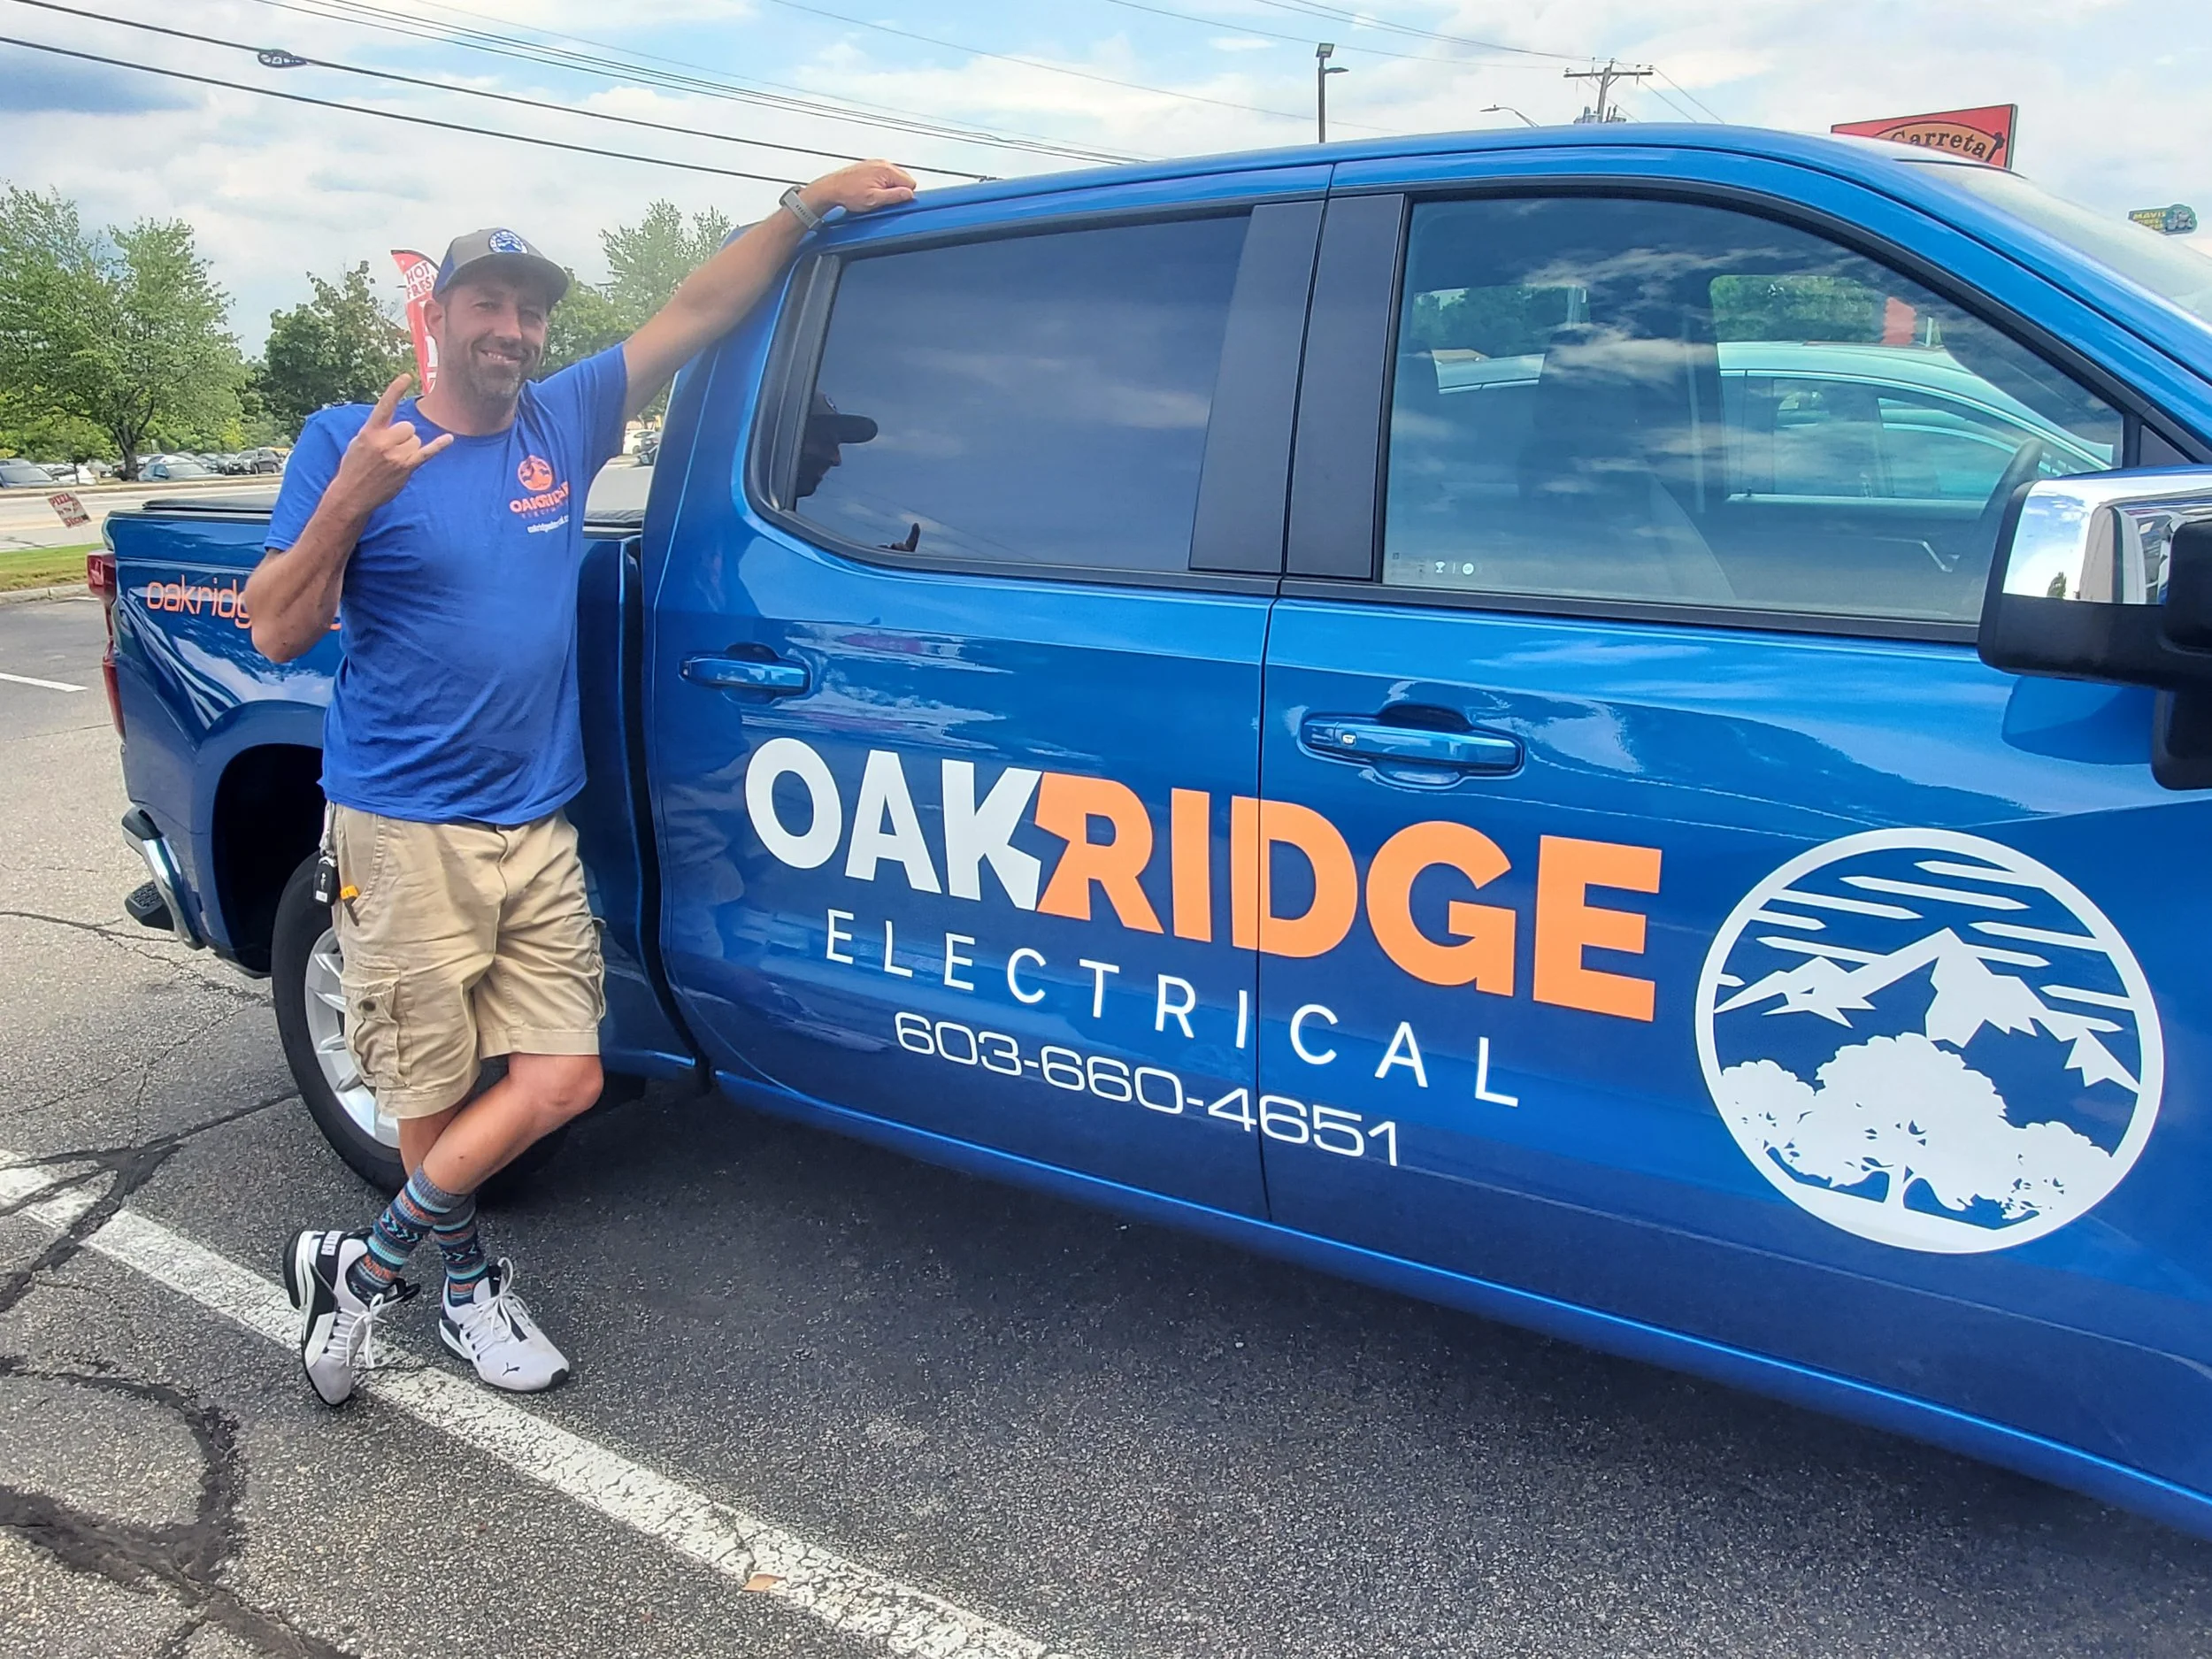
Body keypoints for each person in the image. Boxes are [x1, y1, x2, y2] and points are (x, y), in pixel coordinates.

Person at [248, 161, 918, 1406]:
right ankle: (459, 1291)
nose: (511, 328)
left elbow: (697, 310)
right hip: (402, 832)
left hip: (531, 824)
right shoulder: (352, 439)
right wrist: (350, 500)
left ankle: (361, 1267)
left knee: (567, 1077)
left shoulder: (563, 417)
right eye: (487, 304)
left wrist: (806, 204)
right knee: (432, 1094)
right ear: (439, 316)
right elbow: (277, 627)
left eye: (530, 309)